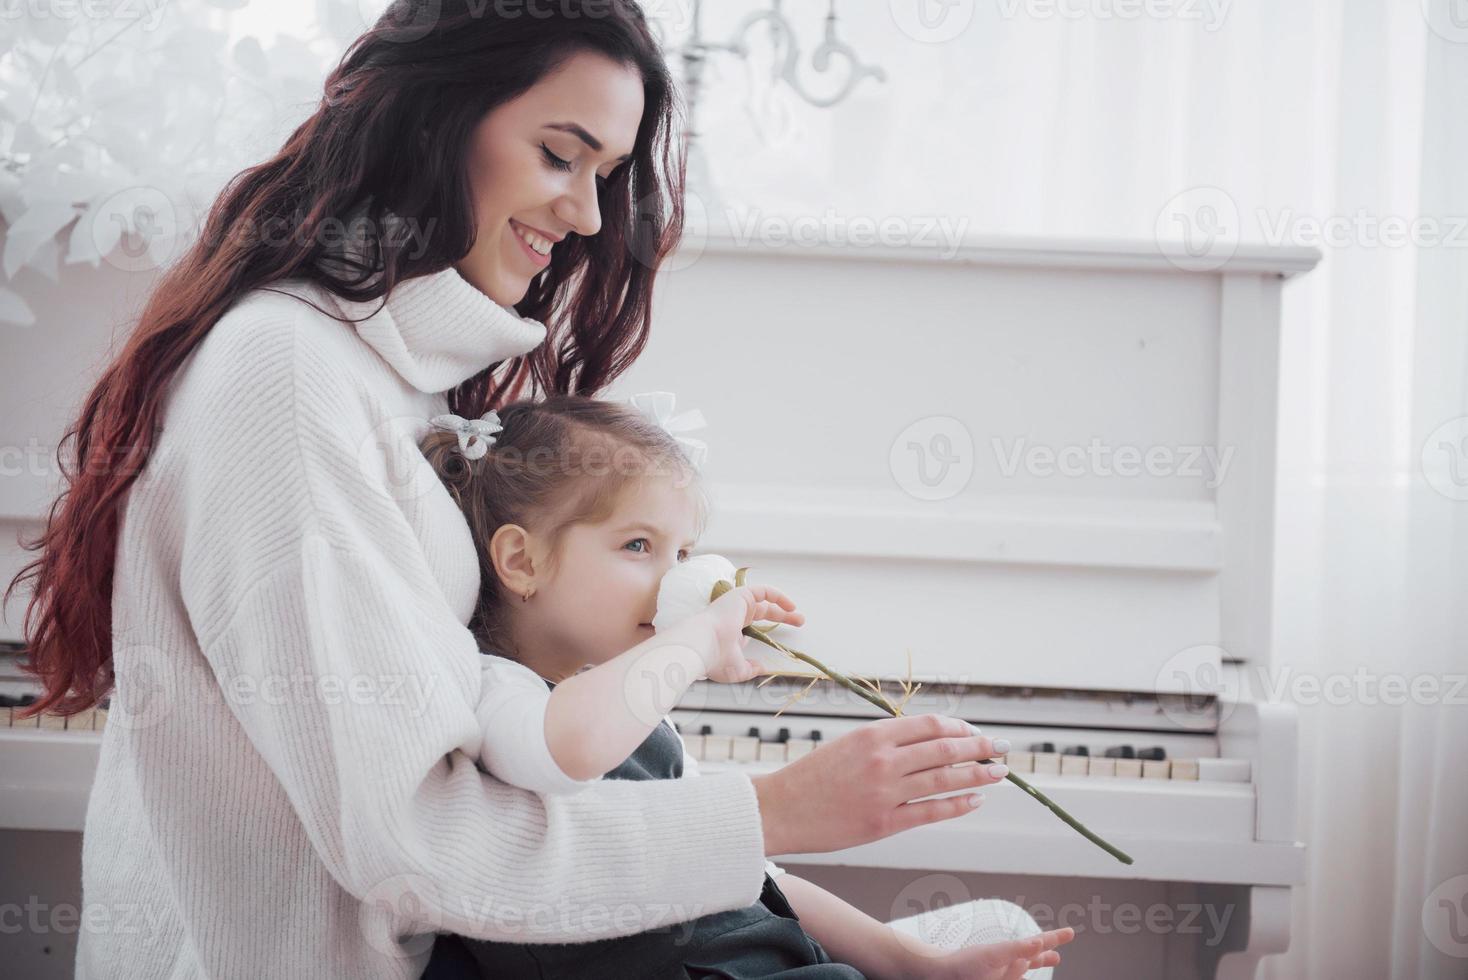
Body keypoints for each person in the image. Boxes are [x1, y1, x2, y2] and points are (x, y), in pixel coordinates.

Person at [4, 2, 1057, 976]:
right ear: (434, 119)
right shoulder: (287, 378)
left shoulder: (398, 374)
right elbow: (412, 841)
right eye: (561, 154)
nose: (592, 215)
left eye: (606, 172)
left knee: (989, 936)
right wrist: (777, 807)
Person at [413, 394, 1073, 979]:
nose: (672, 581)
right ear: (523, 561)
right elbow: (572, 746)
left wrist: (911, 964)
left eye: (683, 555)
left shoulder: (635, 708)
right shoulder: (497, 690)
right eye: (638, 546)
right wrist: (698, 638)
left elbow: (750, 866)